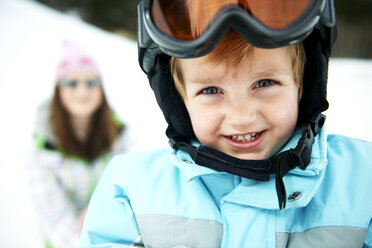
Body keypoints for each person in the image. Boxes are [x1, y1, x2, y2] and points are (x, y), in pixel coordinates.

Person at [79, 0, 372, 247]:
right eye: (210, 90)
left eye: (265, 82)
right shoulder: (131, 192)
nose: (241, 116)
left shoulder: (363, 181)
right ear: (179, 100)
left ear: (303, 85)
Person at [27, 40, 128, 248]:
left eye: (91, 83)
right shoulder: (43, 149)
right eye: (71, 83)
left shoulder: (120, 135)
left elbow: (130, 189)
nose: (82, 92)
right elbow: (53, 219)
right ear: (58, 91)